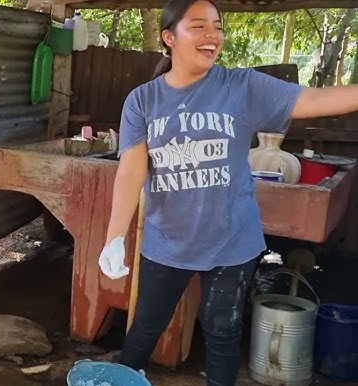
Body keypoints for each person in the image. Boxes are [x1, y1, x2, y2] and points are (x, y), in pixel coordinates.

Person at [99, 0, 358, 385]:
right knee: (147, 324)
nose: (212, 36)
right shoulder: (143, 100)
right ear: (169, 38)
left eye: (217, 27)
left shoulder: (242, 86)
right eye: (199, 26)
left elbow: (314, 100)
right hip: (168, 239)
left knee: (222, 330)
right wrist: (114, 237)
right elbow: (132, 171)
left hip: (231, 239)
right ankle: (120, 378)